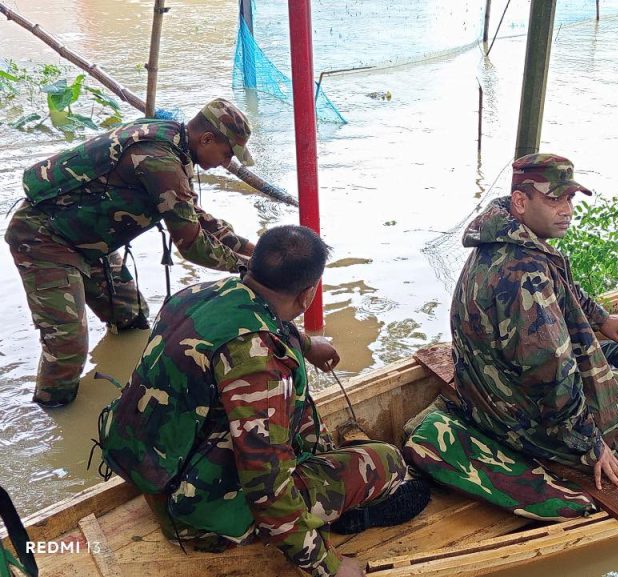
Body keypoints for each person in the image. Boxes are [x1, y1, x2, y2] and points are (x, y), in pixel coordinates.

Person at [98, 225, 429, 577]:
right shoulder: (259, 366)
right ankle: (344, 522)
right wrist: (328, 566)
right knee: (387, 461)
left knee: (298, 419)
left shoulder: (197, 294)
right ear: (307, 295)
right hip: (198, 516)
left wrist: (307, 344)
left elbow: (250, 318)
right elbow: (267, 487)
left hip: (155, 476)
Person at [6, 98, 257, 407]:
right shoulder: (159, 160)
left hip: (87, 241)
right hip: (45, 239)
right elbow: (192, 244)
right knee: (67, 345)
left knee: (130, 316)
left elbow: (192, 214)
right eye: (227, 153)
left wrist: (252, 250)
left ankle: (121, 386)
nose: (225, 163)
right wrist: (247, 269)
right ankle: (53, 410)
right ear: (207, 139)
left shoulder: (172, 141)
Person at [449, 153, 618, 491]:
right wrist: (591, 443)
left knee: (604, 360)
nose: (567, 210)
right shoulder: (526, 275)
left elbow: (563, 289)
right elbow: (551, 375)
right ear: (520, 201)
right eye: (554, 200)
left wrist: (601, 318)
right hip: (519, 423)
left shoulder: (503, 242)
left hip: (485, 398)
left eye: (569, 198)